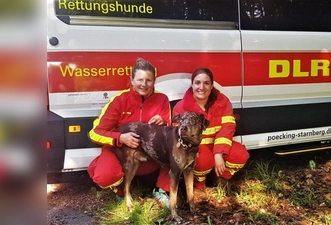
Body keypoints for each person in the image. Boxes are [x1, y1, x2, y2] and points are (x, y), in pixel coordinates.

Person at [87, 58, 170, 206]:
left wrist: (164, 121)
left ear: (154, 81)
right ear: (131, 80)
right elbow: (95, 133)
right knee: (104, 176)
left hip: (149, 155)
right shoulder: (119, 100)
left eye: (148, 80)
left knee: (174, 150)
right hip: (120, 152)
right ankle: (120, 191)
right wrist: (120, 138)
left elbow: (171, 132)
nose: (144, 84)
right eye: (140, 80)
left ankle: (162, 190)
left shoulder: (162, 99)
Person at [173, 68, 250, 189]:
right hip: (197, 148)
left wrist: (218, 152)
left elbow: (228, 127)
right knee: (203, 160)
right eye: (197, 82)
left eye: (206, 83)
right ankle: (199, 184)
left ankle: (219, 177)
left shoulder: (222, 102)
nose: (201, 87)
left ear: (212, 85)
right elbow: (178, 135)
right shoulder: (181, 107)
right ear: (192, 85)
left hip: (218, 145)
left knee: (240, 154)